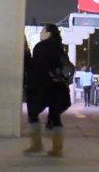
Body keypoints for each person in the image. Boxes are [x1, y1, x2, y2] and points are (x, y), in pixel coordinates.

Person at [23, 24, 71, 157]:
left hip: (42, 87)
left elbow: (36, 67)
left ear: (48, 33)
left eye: (43, 31)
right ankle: (57, 148)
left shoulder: (40, 47)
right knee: (55, 117)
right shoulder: (60, 47)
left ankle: (36, 145)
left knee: (33, 114)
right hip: (58, 87)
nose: (40, 33)